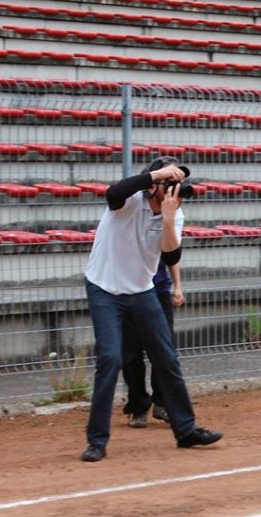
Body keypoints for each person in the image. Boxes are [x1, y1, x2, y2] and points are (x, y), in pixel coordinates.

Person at [80, 156, 222, 461]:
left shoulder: (175, 213)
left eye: (178, 185)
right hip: (104, 288)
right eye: (169, 184)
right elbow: (113, 192)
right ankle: (97, 441)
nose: (175, 190)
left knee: (166, 357)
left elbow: (170, 258)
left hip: (141, 290)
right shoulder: (129, 201)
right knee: (110, 358)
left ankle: (186, 430)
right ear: (154, 182)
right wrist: (156, 175)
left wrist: (169, 219)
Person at [121, 257, 185, 427]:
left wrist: (178, 287)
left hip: (159, 291)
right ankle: (138, 406)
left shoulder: (162, 230)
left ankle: (162, 404)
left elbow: (172, 255)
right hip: (128, 293)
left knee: (164, 351)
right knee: (131, 353)